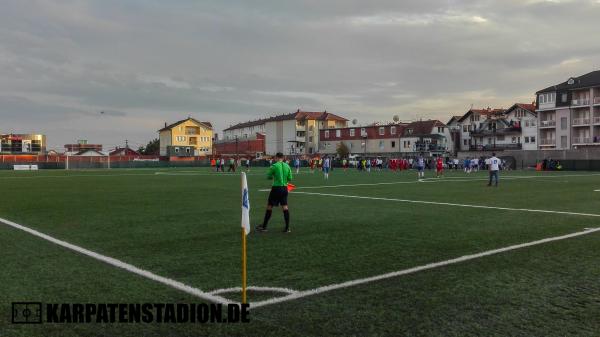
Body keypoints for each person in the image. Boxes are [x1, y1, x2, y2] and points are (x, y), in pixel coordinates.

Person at [256, 152, 293, 233]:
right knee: (285, 207)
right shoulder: (287, 166)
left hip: (276, 188)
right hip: (285, 188)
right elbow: (290, 178)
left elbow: (268, 176)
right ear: (283, 158)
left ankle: (264, 226)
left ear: (276, 158)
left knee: (269, 206)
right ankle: (287, 228)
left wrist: (274, 176)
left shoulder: (274, 166)